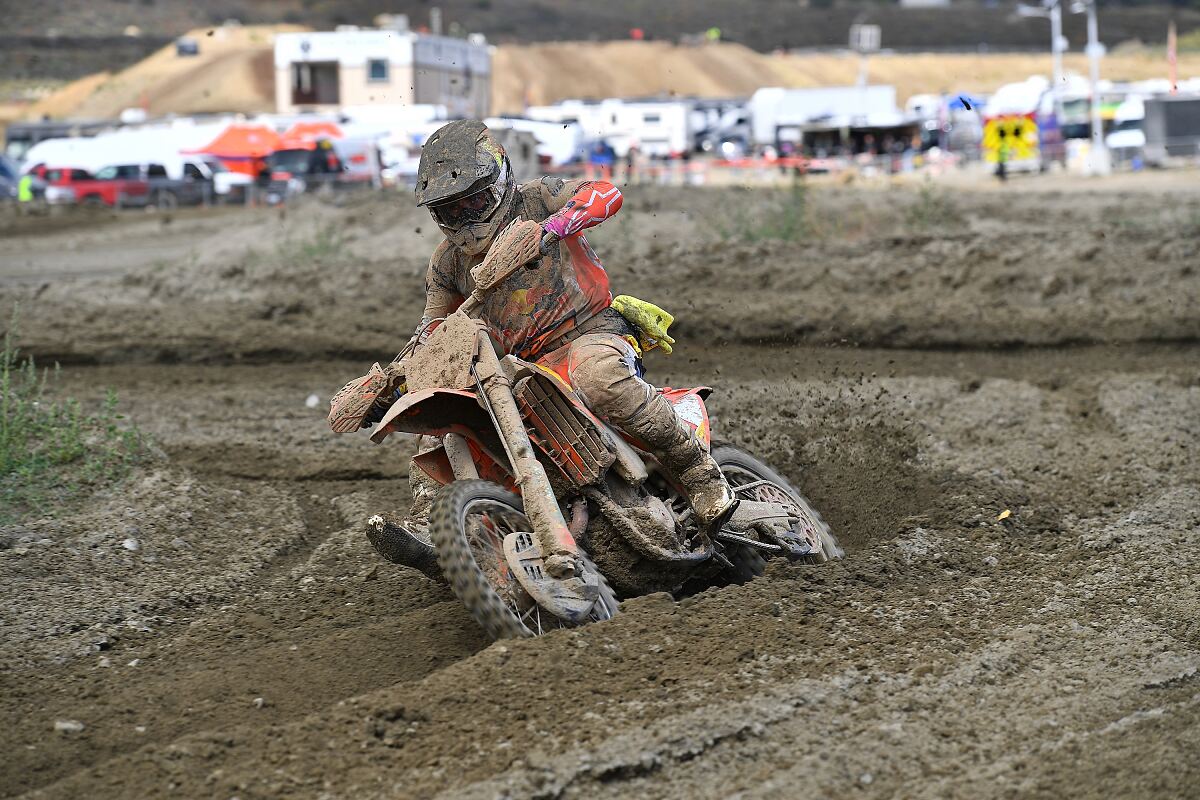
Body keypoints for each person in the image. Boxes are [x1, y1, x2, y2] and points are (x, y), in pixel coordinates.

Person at [364, 120, 738, 575]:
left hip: (589, 332)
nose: (465, 218)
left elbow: (605, 193)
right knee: (440, 423)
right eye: (451, 210)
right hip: (517, 367)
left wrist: (554, 228)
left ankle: (697, 470)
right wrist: (390, 382)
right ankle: (438, 528)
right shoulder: (447, 262)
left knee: (598, 377)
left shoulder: (539, 198)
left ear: (498, 179)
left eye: (474, 202)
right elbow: (433, 327)